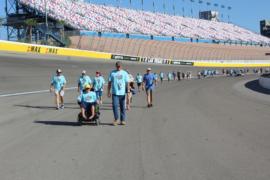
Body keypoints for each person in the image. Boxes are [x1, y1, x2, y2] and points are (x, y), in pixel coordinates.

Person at [108, 61, 129, 126]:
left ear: (121, 66)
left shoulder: (125, 73)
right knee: (115, 106)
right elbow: (109, 83)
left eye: (119, 66)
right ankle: (116, 119)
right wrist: (108, 91)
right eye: (117, 66)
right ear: (116, 66)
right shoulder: (112, 73)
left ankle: (122, 120)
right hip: (115, 93)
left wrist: (128, 91)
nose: (118, 67)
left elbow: (127, 83)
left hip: (122, 93)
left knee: (122, 107)